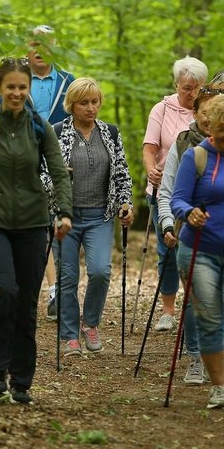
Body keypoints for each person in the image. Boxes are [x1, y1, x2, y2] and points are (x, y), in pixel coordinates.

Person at [0, 57, 73, 404]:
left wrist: (64, 212)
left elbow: (59, 171)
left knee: (26, 301)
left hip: (34, 224)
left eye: (23, 87)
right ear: (0, 88)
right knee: (5, 289)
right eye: (11, 87)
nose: (17, 93)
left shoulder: (40, 126)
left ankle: (21, 379)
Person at [156, 68, 224, 384]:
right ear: (197, 113)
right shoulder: (189, 149)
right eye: (206, 112)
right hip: (198, 243)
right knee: (204, 309)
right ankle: (202, 362)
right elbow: (170, 194)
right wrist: (173, 220)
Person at [172, 94, 224, 409]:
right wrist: (189, 213)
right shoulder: (196, 157)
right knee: (210, 318)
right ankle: (219, 386)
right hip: (200, 250)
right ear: (211, 128)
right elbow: (177, 200)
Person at [0, 25, 74, 318]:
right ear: (27, 47)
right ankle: (26, 286)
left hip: (58, 160)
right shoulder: (15, 81)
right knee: (33, 224)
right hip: (18, 161)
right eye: (36, 44)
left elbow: (79, 123)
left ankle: (56, 291)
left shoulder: (68, 81)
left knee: (54, 222)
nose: (41, 50)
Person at [46, 78, 134, 355]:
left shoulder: (110, 132)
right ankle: (70, 334)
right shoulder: (57, 132)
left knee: (99, 271)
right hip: (66, 216)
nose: (90, 108)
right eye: (84, 102)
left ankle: (90, 324)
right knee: (67, 276)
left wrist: (126, 202)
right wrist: (59, 178)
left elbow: (121, 171)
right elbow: (42, 173)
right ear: (71, 105)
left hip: (101, 215)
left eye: (95, 102)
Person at [142, 56, 208, 332]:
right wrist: (150, 170)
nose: (192, 94)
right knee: (167, 249)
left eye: (197, 88)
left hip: (200, 192)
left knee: (195, 251)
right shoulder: (162, 109)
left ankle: (193, 307)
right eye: (186, 88)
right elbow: (150, 146)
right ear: (177, 85)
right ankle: (168, 310)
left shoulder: (209, 112)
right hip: (164, 191)